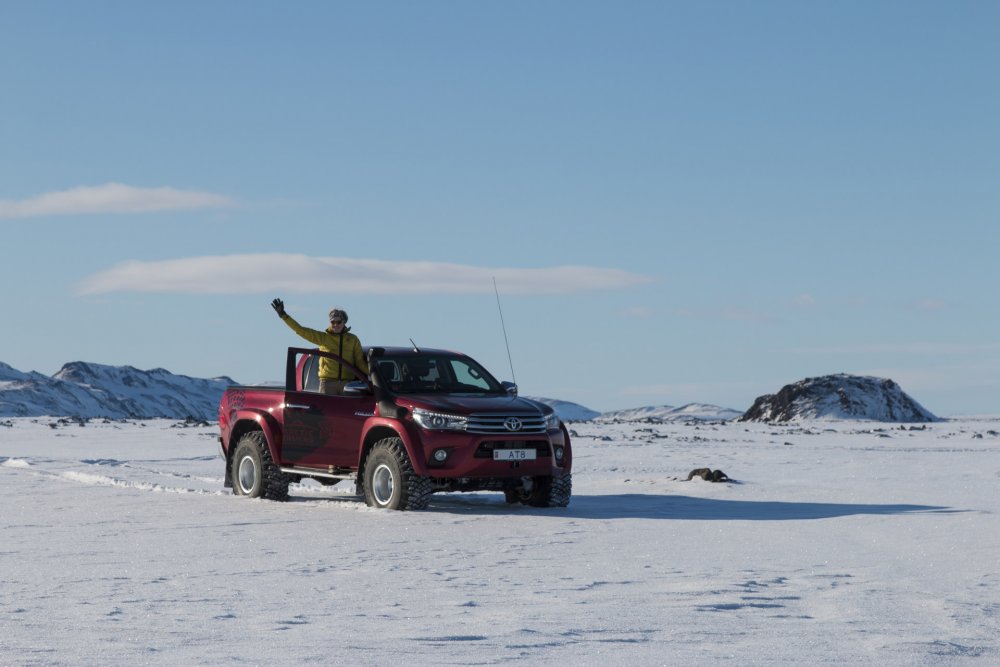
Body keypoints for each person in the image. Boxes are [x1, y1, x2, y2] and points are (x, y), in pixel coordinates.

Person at [271, 298, 369, 395]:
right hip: (327, 384)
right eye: (332, 322)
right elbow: (301, 330)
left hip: (347, 385)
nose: (335, 325)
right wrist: (283, 315)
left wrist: (374, 376)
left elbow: (360, 362)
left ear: (344, 322)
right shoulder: (324, 338)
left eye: (338, 322)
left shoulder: (353, 340)